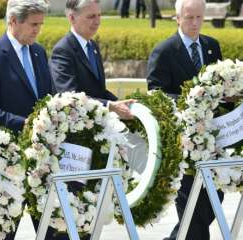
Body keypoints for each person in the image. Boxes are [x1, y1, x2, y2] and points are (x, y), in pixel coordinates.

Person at [146, 0, 224, 239]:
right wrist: (191, 99)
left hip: (211, 139)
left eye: (199, 18)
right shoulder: (165, 51)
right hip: (183, 142)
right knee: (191, 199)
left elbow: (221, 84)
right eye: (189, 18)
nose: (195, 23)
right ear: (177, 18)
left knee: (215, 197)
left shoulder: (212, 45)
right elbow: (155, 93)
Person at [0, 0, 54, 133]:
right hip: (9, 144)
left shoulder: (39, 52)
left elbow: (49, 94)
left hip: (45, 141)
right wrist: (24, 124)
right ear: (13, 21)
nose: (38, 30)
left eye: (40, 24)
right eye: (33, 24)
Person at [50, 0, 134, 120]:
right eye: (91, 16)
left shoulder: (92, 46)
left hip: (97, 123)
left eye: (99, 15)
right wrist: (110, 105)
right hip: (75, 128)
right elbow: (69, 96)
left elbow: (99, 91)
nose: (97, 21)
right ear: (72, 18)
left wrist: (121, 104)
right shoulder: (63, 50)